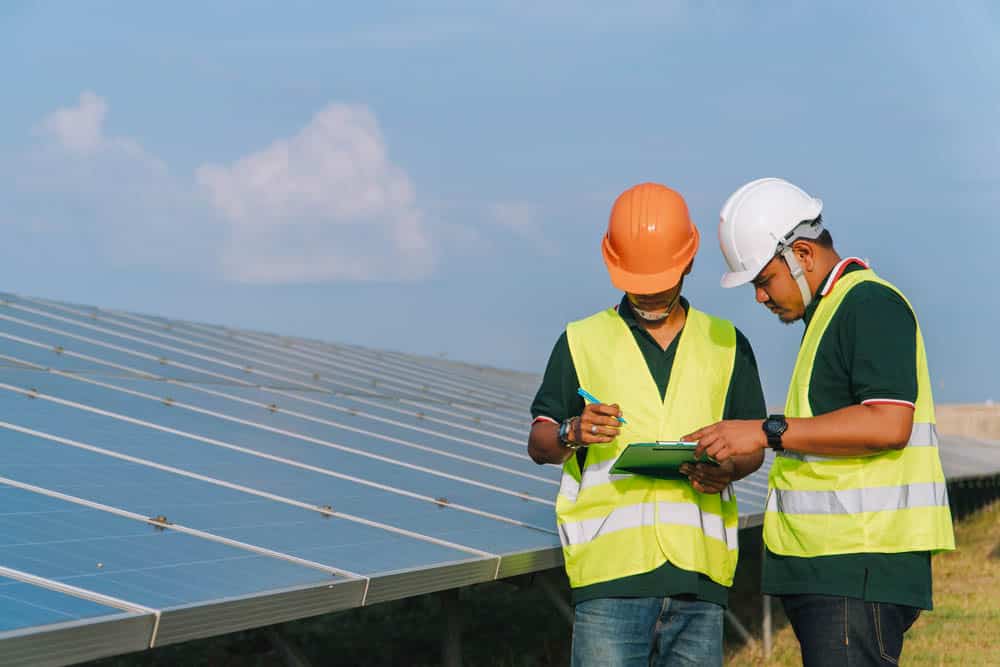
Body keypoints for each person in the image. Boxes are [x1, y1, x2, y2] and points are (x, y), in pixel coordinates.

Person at [687, 177, 955, 666]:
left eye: (764, 281)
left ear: (803, 255)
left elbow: (888, 423)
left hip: (858, 564)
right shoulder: (830, 315)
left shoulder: (868, 304)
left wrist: (766, 430)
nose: (760, 298)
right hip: (836, 568)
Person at [527, 182, 767, 667]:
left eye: (662, 280)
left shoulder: (727, 344)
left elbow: (754, 446)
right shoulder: (580, 340)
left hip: (698, 579)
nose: (652, 293)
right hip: (608, 581)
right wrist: (572, 433)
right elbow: (539, 441)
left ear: (690, 261)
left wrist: (728, 469)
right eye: (640, 282)